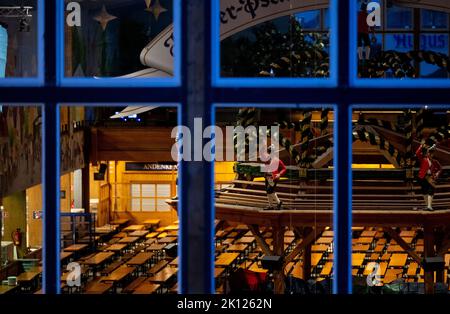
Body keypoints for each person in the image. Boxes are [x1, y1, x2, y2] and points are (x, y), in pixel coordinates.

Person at [416, 143, 442, 211]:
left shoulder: (434, 161)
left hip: (430, 177)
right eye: (429, 153)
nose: (430, 155)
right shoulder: (423, 159)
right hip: (423, 177)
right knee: (424, 191)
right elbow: (417, 153)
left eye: (431, 154)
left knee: (431, 190)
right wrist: (421, 146)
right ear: (427, 154)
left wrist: (437, 173)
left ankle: (429, 206)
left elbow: (440, 168)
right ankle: (427, 206)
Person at [263, 145, 286, 210]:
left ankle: (279, 202)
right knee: (268, 191)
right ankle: (271, 205)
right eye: (269, 151)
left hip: (273, 178)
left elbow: (284, 168)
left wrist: (279, 174)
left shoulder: (277, 160)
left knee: (270, 190)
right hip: (267, 177)